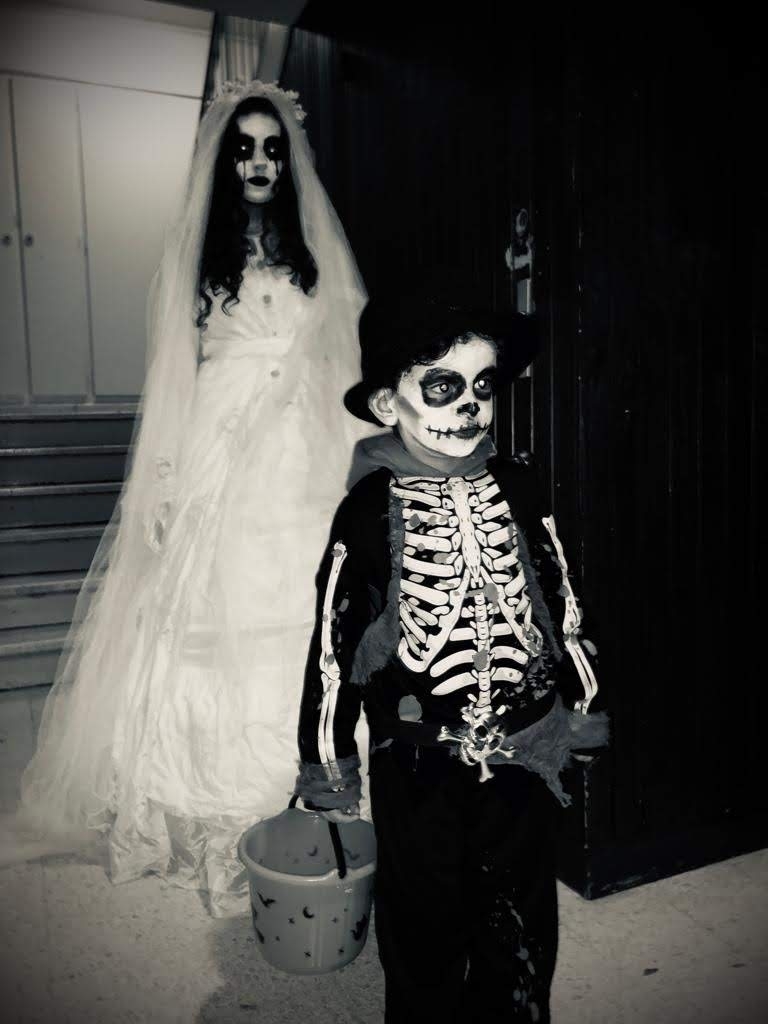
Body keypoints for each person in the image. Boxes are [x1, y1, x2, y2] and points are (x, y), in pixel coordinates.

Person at [19, 81, 373, 918]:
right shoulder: (199, 262)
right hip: (221, 439)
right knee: (211, 607)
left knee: (308, 604)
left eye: (272, 149)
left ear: (289, 162)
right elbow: (175, 376)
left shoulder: (314, 256)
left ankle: (318, 786)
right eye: (244, 149)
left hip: (302, 446)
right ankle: (215, 808)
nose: (259, 162)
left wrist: (356, 458)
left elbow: (344, 359)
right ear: (223, 164)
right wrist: (168, 474)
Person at [295, 293, 609, 1021]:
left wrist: (585, 706)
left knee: (520, 920)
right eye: (441, 386)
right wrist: (328, 762)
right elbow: (333, 645)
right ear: (387, 403)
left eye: (482, 386)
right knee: (422, 924)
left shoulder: (520, 485)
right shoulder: (367, 509)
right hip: (418, 760)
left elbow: (563, 601)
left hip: (525, 750)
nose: (468, 406)